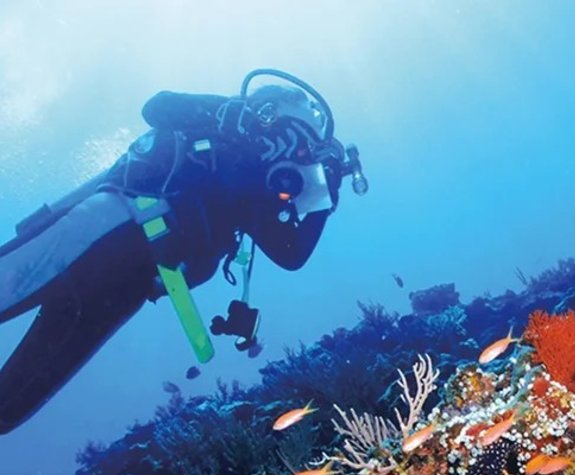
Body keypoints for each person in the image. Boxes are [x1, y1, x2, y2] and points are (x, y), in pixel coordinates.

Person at [0, 69, 367, 434]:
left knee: (13, 404)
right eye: (292, 133)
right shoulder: (221, 127)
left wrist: (322, 200)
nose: (290, 151)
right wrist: (225, 113)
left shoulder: (259, 193)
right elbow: (156, 107)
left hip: (131, 288)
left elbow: (291, 256)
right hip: (101, 228)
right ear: (265, 110)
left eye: (304, 149)